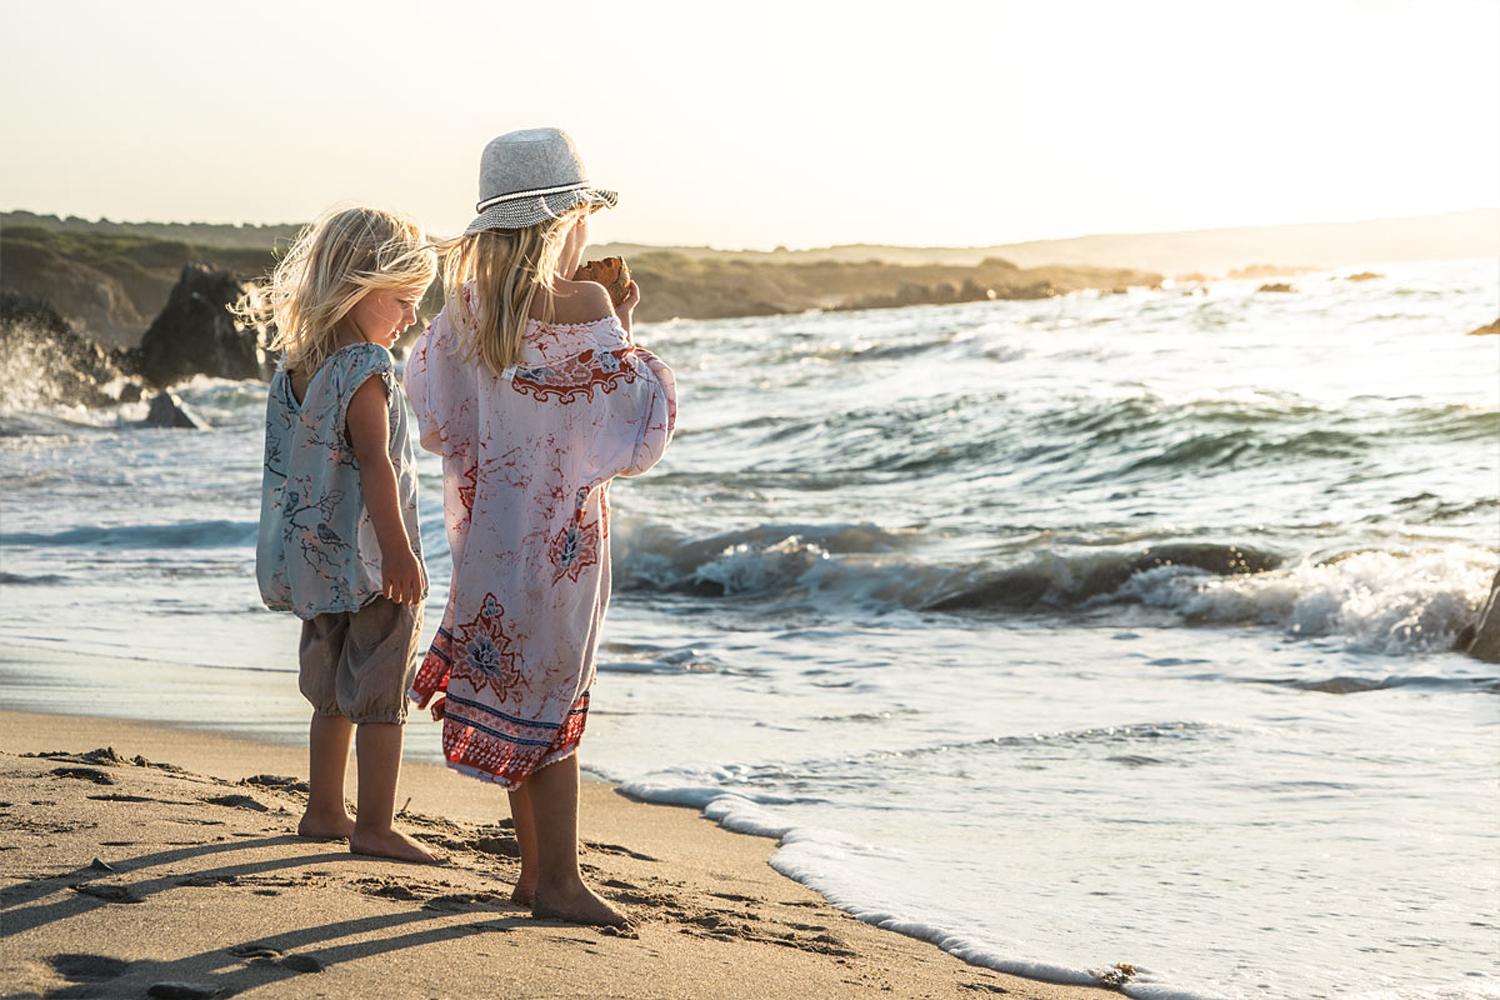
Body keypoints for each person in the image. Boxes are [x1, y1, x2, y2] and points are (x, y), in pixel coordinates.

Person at [405, 128, 677, 925]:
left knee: (521, 695)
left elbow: (435, 417)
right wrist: (622, 327)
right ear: (566, 223)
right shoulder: (586, 304)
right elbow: (638, 428)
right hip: (561, 549)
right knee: (554, 708)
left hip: (488, 542)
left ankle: (531, 876)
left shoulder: (464, 312)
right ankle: (558, 881)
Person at [250, 205, 441, 864]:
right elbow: (374, 461)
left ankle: (324, 810)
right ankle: (375, 825)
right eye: (404, 300)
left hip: (314, 560)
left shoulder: (296, 367)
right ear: (361, 287)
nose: (412, 316)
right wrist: (399, 551)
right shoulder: (366, 365)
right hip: (369, 561)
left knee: (330, 690)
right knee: (380, 693)